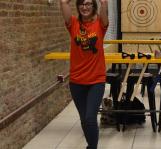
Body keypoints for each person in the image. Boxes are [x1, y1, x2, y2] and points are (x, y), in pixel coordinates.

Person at [60, 0, 108, 148]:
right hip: (76, 81)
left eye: (88, 4)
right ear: (78, 6)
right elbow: (64, 4)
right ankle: (90, 145)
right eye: (81, 4)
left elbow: (105, 15)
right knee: (83, 119)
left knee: (90, 118)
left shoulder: (100, 24)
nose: (85, 7)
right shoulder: (73, 23)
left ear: (94, 6)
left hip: (96, 80)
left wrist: (104, 3)